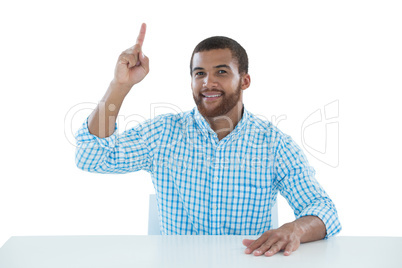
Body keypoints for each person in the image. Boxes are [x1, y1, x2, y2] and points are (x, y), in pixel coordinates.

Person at [75, 23, 341, 257]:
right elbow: (92, 157)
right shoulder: (163, 134)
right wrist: (120, 85)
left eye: (221, 72)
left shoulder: (274, 144)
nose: (207, 82)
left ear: (244, 80)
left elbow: (323, 210)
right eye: (199, 73)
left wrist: (295, 228)